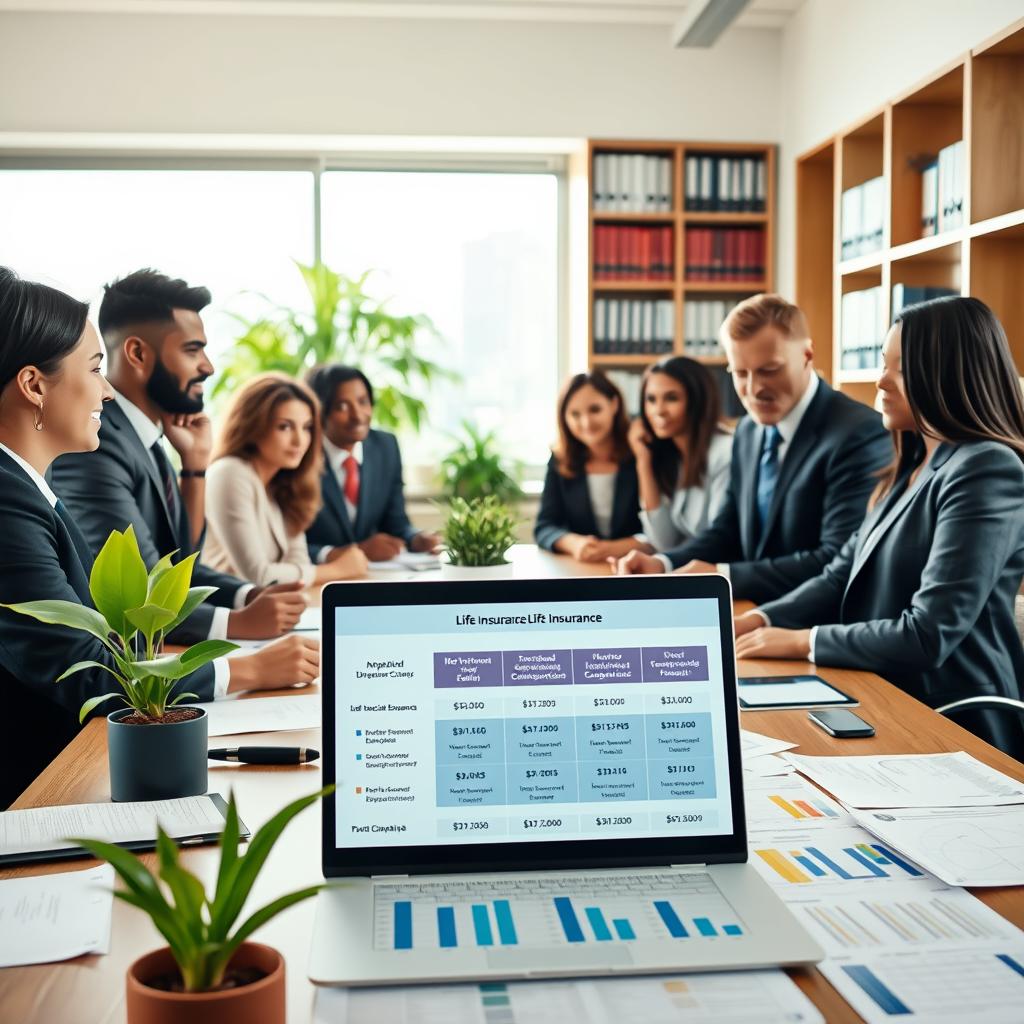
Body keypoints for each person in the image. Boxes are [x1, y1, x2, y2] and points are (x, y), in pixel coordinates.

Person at [0, 269, 318, 807]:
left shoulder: (30, 486)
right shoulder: (8, 500)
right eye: (96, 368)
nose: (105, 389)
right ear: (34, 385)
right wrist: (246, 668)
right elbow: (81, 667)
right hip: (40, 790)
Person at [733, 296, 1024, 754]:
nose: (880, 380)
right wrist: (758, 619)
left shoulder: (985, 468)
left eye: (900, 369)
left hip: (953, 718)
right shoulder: (911, 462)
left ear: (948, 373)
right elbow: (838, 575)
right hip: (881, 693)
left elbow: (927, 634)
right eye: (882, 364)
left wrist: (801, 641)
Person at [51, 269, 307, 645]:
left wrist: (246, 595)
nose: (208, 366)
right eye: (192, 349)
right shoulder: (97, 444)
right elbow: (139, 593)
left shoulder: (146, 438)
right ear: (138, 353)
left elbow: (179, 567)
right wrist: (236, 623)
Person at [617, 294, 892, 604]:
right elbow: (728, 527)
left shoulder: (859, 433)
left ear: (807, 354)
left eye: (769, 370)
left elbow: (836, 558)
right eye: (740, 373)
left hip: (814, 626)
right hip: (752, 613)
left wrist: (723, 576)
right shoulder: (748, 429)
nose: (754, 389)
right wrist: (664, 563)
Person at [204, 373, 368, 585]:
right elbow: (258, 575)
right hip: (230, 612)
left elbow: (298, 562)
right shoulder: (230, 473)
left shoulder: (283, 481)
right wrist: (338, 570)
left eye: (306, 427)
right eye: (285, 426)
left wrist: (311, 574)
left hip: (272, 607)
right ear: (253, 426)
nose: (300, 440)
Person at [304, 364, 440, 564]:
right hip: (320, 578)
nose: (358, 415)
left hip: (373, 578)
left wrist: (416, 538)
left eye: (363, 402)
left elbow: (397, 523)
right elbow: (287, 546)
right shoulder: (302, 455)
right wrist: (356, 551)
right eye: (342, 406)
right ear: (320, 411)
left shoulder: (385, 447)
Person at [534, 370, 650, 562]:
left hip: (637, 567)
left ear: (614, 404)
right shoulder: (560, 459)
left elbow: (662, 530)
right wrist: (573, 543)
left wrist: (614, 548)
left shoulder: (640, 452)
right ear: (564, 417)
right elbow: (544, 526)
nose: (586, 422)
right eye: (575, 414)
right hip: (582, 570)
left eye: (595, 410)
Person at [628, 356, 733, 552]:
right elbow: (663, 542)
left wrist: (664, 563)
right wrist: (643, 462)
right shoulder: (675, 456)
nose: (658, 411)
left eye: (671, 398)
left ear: (698, 400)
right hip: (687, 571)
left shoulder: (725, 453)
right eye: (651, 399)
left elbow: (720, 541)